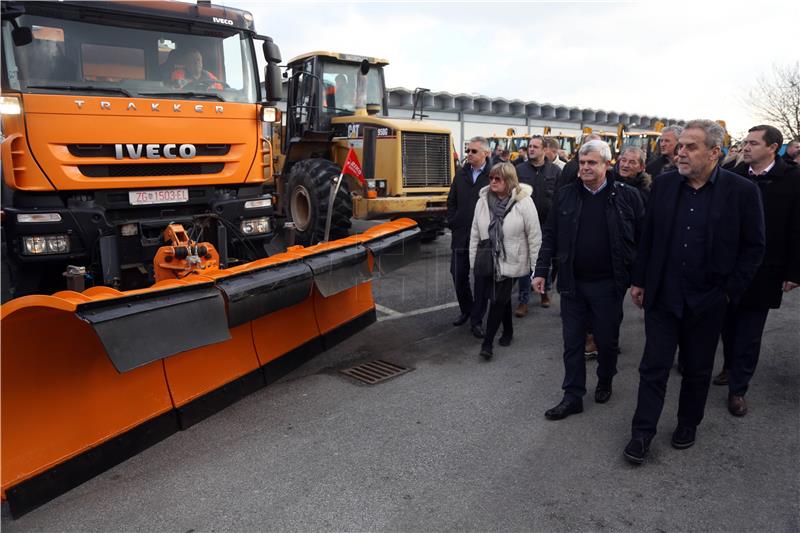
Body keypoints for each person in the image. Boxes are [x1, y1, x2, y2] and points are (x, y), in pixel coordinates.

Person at [624, 120, 765, 465]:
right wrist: (640, 280)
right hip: (663, 296)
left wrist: (728, 293)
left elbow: (754, 248)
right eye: (680, 146)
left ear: (714, 152)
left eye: (690, 147)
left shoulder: (742, 191)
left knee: (698, 369)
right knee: (653, 367)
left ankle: (688, 422)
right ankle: (642, 432)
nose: (680, 152)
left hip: (708, 299)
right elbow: (650, 238)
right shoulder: (665, 184)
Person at [533, 140, 644, 420]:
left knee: (606, 342)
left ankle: (606, 378)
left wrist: (640, 280)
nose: (585, 168)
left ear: (607, 164)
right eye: (582, 163)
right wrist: (541, 270)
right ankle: (573, 395)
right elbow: (551, 235)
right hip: (573, 283)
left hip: (609, 285)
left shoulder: (627, 197)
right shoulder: (566, 195)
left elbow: (643, 242)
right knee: (572, 343)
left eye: (591, 163)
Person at [712, 125, 800, 415]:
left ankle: (738, 389)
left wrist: (794, 270)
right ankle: (729, 365)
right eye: (744, 142)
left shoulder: (793, 179)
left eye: (753, 143)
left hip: (767, 268)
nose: (745, 147)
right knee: (728, 323)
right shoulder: (733, 177)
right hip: (730, 267)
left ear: (773, 147)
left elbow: (797, 228)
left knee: (750, 331)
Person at [470, 162, 542, 359]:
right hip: (487, 258)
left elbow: (534, 236)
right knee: (500, 299)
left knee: (497, 299)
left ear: (509, 181)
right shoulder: (483, 201)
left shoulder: (524, 202)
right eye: (491, 178)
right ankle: (508, 331)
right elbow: (475, 232)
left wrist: (537, 269)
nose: (492, 181)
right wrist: (472, 261)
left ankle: (487, 344)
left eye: (497, 179)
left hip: (512, 258)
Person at [447, 137, 491, 338]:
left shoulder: (494, 175)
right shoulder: (461, 173)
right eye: (468, 151)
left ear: (486, 153)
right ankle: (467, 309)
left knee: (481, 279)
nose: (469, 154)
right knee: (458, 275)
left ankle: (477, 320)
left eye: (474, 151)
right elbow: (452, 200)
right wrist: (453, 220)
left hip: (483, 238)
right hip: (461, 234)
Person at [515, 135, 561, 314]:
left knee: (544, 261)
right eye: (529, 146)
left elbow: (559, 197)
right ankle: (523, 300)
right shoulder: (518, 170)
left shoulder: (555, 171)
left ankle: (544, 292)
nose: (531, 149)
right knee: (526, 262)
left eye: (535, 146)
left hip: (546, 224)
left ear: (544, 149)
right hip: (524, 224)